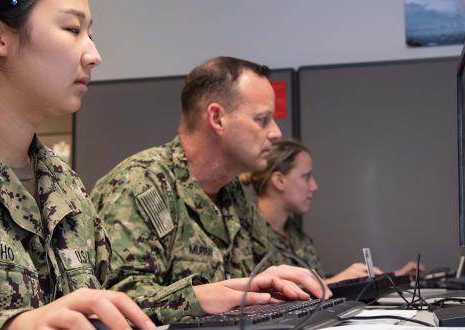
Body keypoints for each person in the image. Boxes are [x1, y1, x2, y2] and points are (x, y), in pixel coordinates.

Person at [0, 1, 156, 329]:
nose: (94, 55)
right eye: (72, 29)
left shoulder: (64, 184)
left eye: (90, 34)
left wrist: (195, 300)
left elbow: (101, 305)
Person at [91, 56, 331, 324]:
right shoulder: (140, 185)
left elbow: (255, 281)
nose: (275, 133)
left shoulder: (232, 193)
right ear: (217, 118)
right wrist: (198, 298)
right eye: (262, 120)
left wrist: (274, 284)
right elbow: (114, 301)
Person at [244, 139, 424, 284]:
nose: (314, 187)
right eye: (306, 177)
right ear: (279, 181)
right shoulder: (246, 233)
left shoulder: (295, 235)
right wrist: (332, 283)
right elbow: (264, 301)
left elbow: (317, 283)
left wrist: (390, 279)